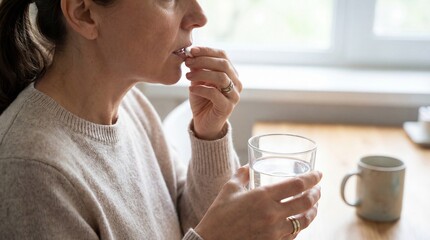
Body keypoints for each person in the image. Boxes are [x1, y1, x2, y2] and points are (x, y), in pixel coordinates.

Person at [0, 0, 322, 239]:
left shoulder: (131, 106)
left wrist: (209, 134)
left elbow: (188, 223)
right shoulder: (31, 170)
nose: (198, 16)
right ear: (84, 13)